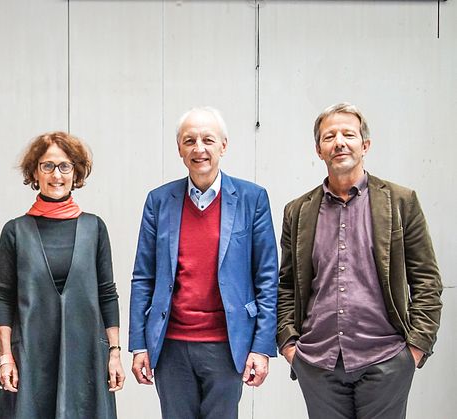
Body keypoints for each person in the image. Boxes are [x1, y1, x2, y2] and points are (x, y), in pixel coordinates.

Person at [276, 102, 443, 419]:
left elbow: (426, 281)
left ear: (365, 145)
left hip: (386, 359)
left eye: (348, 134)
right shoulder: (297, 212)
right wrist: (289, 345)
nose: (339, 141)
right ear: (319, 150)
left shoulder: (400, 202)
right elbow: (286, 285)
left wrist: (415, 348)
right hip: (317, 362)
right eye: (329, 136)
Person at [129, 106, 278, 419]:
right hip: (170, 346)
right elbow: (144, 277)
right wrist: (139, 344)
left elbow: (266, 277)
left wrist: (262, 347)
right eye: (189, 140)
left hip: (227, 345)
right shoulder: (159, 201)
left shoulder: (252, 199)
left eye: (208, 140)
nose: (199, 149)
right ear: (180, 149)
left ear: (224, 145)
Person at [0, 131, 124, 418]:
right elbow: (4, 298)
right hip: (30, 356)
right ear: (35, 172)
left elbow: (107, 294)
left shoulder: (95, 229)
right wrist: (6, 357)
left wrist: (114, 353)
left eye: (65, 166)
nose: (57, 174)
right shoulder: (14, 231)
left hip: (86, 356)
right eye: (48, 166)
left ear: (75, 173)